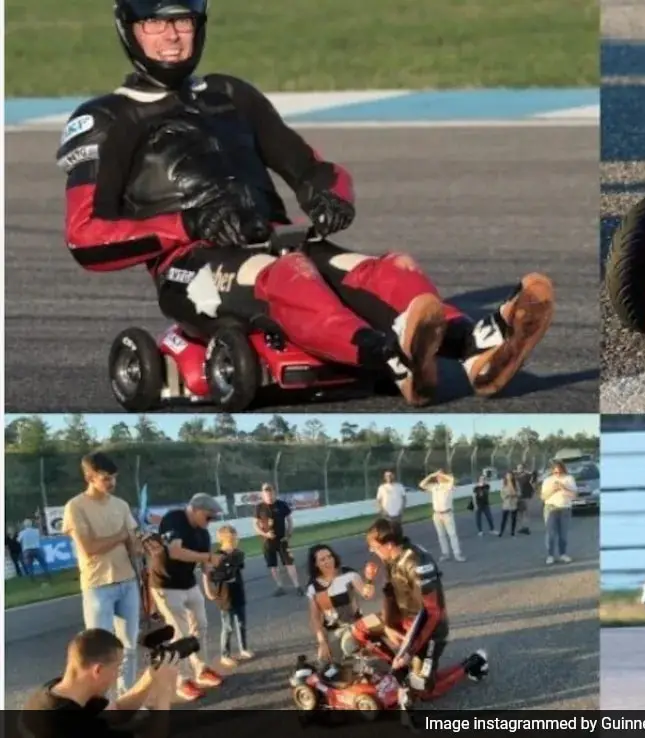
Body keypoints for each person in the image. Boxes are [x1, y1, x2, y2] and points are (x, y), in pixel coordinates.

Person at [55, 0, 554, 406]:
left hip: (277, 242)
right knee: (293, 277)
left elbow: (317, 169)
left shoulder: (231, 94)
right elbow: (85, 235)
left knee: (391, 270)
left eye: (182, 21)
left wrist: (328, 196)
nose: (171, 35)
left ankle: (477, 348)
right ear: (129, 31)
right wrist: (187, 223)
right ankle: (393, 358)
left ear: (199, 25)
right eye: (155, 23)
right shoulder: (106, 119)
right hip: (191, 264)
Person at [362, 519, 488, 699]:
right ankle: (403, 668)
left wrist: (409, 650)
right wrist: (388, 625)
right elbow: (391, 592)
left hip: (428, 628)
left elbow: (433, 613)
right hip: (404, 618)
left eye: (374, 547)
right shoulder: (392, 555)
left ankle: (473, 663)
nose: (372, 551)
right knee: (359, 630)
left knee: (423, 691)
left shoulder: (418, 564)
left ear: (389, 544)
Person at [60, 452, 143, 696]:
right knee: (99, 652)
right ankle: (101, 702)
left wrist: (143, 544)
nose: (111, 483)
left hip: (127, 581)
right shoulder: (75, 506)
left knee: (128, 646)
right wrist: (121, 536)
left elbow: (133, 545)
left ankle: (127, 698)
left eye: (114, 478)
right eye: (106, 478)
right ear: (89, 477)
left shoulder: (121, 505)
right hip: (98, 586)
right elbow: (89, 548)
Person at [20, 627, 178, 738]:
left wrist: (150, 676)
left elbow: (116, 712)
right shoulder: (71, 726)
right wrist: (163, 693)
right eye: (118, 667)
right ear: (98, 670)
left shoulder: (53, 691)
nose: (117, 675)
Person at [145, 493, 226, 700]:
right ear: (196, 510)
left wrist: (213, 577)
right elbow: (175, 552)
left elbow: (205, 564)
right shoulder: (174, 519)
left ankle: (202, 669)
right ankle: (182, 680)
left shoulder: (203, 533)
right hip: (166, 584)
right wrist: (208, 557)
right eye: (209, 516)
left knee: (201, 625)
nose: (211, 521)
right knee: (179, 634)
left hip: (189, 583)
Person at [305, 543, 370, 663]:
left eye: (330, 557)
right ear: (315, 564)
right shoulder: (313, 587)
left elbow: (366, 594)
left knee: (349, 647)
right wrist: (322, 642)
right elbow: (315, 618)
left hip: (354, 625)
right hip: (333, 630)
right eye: (322, 559)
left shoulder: (348, 574)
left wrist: (369, 580)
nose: (328, 561)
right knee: (325, 662)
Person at [200, 525, 253, 668]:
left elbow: (235, 569)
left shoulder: (238, 554)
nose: (236, 539)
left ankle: (243, 648)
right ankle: (225, 655)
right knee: (228, 626)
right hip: (224, 595)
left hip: (238, 592)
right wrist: (208, 591)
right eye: (232, 537)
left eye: (235, 536)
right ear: (223, 539)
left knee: (241, 623)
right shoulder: (216, 556)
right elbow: (208, 573)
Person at [254, 483, 302, 596]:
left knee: (289, 563)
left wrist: (289, 533)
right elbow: (255, 525)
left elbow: (289, 520)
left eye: (271, 493)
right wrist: (265, 534)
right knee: (273, 566)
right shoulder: (259, 507)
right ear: (263, 494)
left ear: (274, 493)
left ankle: (297, 586)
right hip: (268, 542)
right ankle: (280, 586)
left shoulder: (281, 505)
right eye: (266, 494)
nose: (269, 496)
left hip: (282, 540)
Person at [419, 469, 465, 562]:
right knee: (441, 535)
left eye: (440, 476)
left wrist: (443, 475)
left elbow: (451, 479)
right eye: (437, 477)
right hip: (437, 514)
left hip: (447, 513)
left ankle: (457, 554)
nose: (438, 477)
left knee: (452, 534)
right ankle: (445, 553)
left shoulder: (448, 485)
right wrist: (431, 475)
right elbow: (421, 485)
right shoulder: (434, 487)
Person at [540, 462, 577, 565]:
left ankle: (563, 554)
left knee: (563, 534)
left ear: (563, 469)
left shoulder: (569, 479)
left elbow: (574, 496)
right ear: (552, 471)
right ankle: (550, 555)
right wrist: (553, 489)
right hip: (550, 508)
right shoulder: (548, 480)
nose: (557, 473)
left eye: (559, 470)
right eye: (555, 471)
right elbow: (543, 497)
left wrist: (563, 487)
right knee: (550, 534)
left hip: (565, 508)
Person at [18, 517, 52, 582]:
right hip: (36, 548)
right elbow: (41, 536)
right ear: (31, 524)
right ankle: (47, 574)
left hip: (27, 550)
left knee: (29, 565)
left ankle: (32, 578)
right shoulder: (36, 531)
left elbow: (18, 540)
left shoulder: (22, 532)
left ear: (24, 525)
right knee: (43, 563)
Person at [513, 464, 536, 535]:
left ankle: (526, 527)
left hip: (526, 495)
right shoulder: (516, 476)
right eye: (518, 468)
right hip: (519, 496)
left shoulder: (526, 475)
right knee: (520, 513)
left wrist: (528, 472)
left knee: (526, 512)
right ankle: (522, 527)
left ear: (523, 468)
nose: (519, 469)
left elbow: (533, 476)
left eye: (521, 468)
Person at [498, 472, 520, 537]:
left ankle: (512, 532)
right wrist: (505, 496)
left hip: (513, 503)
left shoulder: (515, 483)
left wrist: (515, 494)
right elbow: (501, 493)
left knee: (513, 519)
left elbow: (519, 492)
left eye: (510, 476)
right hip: (506, 503)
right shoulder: (504, 484)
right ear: (506, 477)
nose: (509, 477)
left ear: (512, 476)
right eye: (507, 476)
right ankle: (501, 531)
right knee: (504, 519)